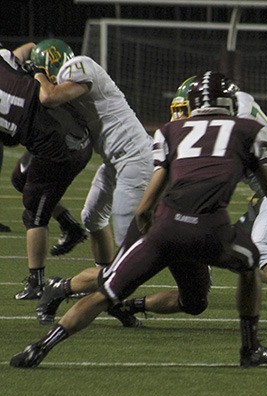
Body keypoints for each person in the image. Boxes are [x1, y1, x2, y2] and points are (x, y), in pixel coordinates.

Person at [11, 71, 267, 369]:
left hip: (162, 225)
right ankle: (250, 348)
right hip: (211, 231)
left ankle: (39, 347)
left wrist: (150, 242)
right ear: (229, 102)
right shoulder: (248, 129)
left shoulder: (170, 132)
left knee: (111, 292)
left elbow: (144, 208)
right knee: (249, 263)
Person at [27, 38, 153, 269]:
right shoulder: (72, 83)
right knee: (92, 218)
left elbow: (49, 97)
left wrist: (38, 73)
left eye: (42, 69)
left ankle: (117, 290)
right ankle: (103, 278)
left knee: (128, 238)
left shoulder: (79, 64)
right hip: (116, 160)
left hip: (134, 156)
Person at [0, 42, 93, 300]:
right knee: (20, 178)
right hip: (66, 130)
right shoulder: (4, 57)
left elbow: (8, 137)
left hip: (60, 145)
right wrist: (37, 70)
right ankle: (68, 224)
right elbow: (30, 46)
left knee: (34, 211)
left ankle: (37, 283)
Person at [11, 150, 87, 256]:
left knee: (34, 215)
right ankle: (69, 226)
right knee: (24, 182)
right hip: (68, 146)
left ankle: (36, 272)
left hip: (64, 147)